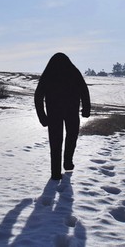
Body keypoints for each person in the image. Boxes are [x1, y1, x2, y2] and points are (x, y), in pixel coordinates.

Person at [34, 52, 91, 181]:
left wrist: (42, 117)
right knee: (71, 136)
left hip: (54, 112)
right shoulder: (73, 71)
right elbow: (84, 90)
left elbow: (38, 96)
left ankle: (56, 172)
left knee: (55, 142)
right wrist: (86, 109)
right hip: (71, 111)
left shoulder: (48, 73)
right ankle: (68, 162)